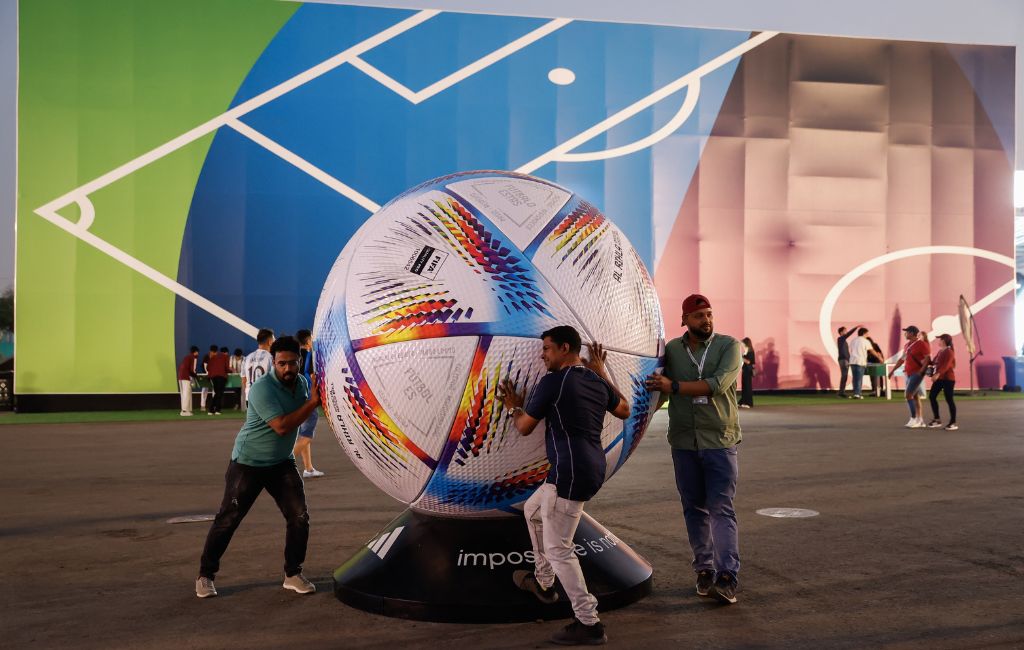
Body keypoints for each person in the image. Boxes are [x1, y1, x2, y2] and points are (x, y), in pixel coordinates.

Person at [498, 326, 629, 646]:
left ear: (565, 348)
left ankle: (589, 622)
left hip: (570, 474)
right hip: (588, 467)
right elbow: (623, 409)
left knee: (559, 549)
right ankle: (544, 583)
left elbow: (525, 427)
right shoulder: (595, 379)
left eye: (547, 348)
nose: (542, 355)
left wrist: (514, 405)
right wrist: (600, 371)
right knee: (533, 510)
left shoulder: (553, 382)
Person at [196, 336, 320, 599]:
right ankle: (205, 576)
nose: (288, 368)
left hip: (281, 463)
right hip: (247, 463)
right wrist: (312, 403)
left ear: (299, 362)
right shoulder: (262, 389)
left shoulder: (301, 383)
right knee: (228, 519)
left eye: (293, 363)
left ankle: (293, 574)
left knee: (299, 517)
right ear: (273, 362)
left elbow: (304, 409)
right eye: (282, 363)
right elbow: (282, 426)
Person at [645, 294, 743, 605]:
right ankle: (704, 568)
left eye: (709, 314)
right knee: (693, 509)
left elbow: (717, 385)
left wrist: (672, 387)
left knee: (721, 508)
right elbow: (657, 388)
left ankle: (727, 575)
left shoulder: (729, 346)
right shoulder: (673, 349)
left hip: (719, 440)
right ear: (684, 320)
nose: (706, 320)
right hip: (684, 441)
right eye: (699, 316)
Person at [293, 330, 324, 479]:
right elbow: (313, 376)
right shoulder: (310, 355)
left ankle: (308, 469)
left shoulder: (294, 356)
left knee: (303, 435)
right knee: (306, 437)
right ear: (307, 341)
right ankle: (277, 467)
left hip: (295, 398)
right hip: (307, 399)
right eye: (312, 337)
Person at [888, 325, 930, 428]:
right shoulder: (907, 345)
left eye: (906, 332)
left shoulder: (922, 344)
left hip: (917, 373)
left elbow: (927, 359)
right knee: (915, 396)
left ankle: (913, 418)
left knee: (908, 395)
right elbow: (902, 359)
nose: (905, 334)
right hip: (908, 372)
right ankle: (920, 420)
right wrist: (892, 370)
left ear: (912, 333)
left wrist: (921, 371)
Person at [927, 334, 958, 430]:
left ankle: (953, 423)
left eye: (940, 339)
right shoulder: (941, 351)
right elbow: (935, 363)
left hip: (948, 379)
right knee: (932, 396)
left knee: (949, 400)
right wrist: (928, 360)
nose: (938, 341)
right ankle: (937, 419)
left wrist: (937, 374)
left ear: (944, 340)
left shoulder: (949, 352)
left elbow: (946, 365)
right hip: (940, 379)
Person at [242, 329, 275, 410]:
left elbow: (244, 380)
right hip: (265, 397)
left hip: (249, 397)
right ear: (270, 341)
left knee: (253, 422)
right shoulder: (271, 358)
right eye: (274, 339)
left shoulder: (247, 358)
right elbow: (275, 379)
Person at [835, 324, 861, 397]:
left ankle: (841, 392)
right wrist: (856, 327)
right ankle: (841, 392)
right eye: (845, 330)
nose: (846, 332)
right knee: (844, 376)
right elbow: (849, 334)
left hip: (845, 359)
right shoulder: (840, 339)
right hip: (843, 360)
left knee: (844, 376)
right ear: (841, 332)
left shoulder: (843, 340)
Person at [206, 345, 230, 415]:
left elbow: (208, 368)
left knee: (217, 393)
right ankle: (216, 410)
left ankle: (211, 410)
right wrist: (230, 371)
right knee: (219, 393)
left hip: (213, 377)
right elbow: (227, 368)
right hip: (221, 376)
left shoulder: (212, 357)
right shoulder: (225, 357)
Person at [848, 328, 871, 399]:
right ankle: (857, 394)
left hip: (853, 361)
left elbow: (851, 350)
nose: (868, 335)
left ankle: (856, 393)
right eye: (867, 333)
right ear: (864, 333)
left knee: (855, 378)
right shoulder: (865, 341)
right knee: (859, 378)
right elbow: (871, 350)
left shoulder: (853, 340)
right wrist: (879, 357)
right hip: (860, 361)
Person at [177, 346, 200, 416]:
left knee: (184, 394)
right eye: (198, 352)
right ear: (195, 352)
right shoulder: (193, 358)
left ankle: (186, 410)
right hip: (186, 377)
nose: (198, 354)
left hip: (180, 376)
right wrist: (196, 376)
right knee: (186, 394)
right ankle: (184, 411)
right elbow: (192, 370)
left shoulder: (187, 357)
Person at [739, 337, 755, 408]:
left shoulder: (751, 352)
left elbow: (749, 362)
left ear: (746, 343)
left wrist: (741, 358)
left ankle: (749, 403)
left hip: (748, 371)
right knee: (744, 386)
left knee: (748, 387)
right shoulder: (745, 351)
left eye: (743, 343)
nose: (742, 345)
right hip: (744, 370)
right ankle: (743, 401)